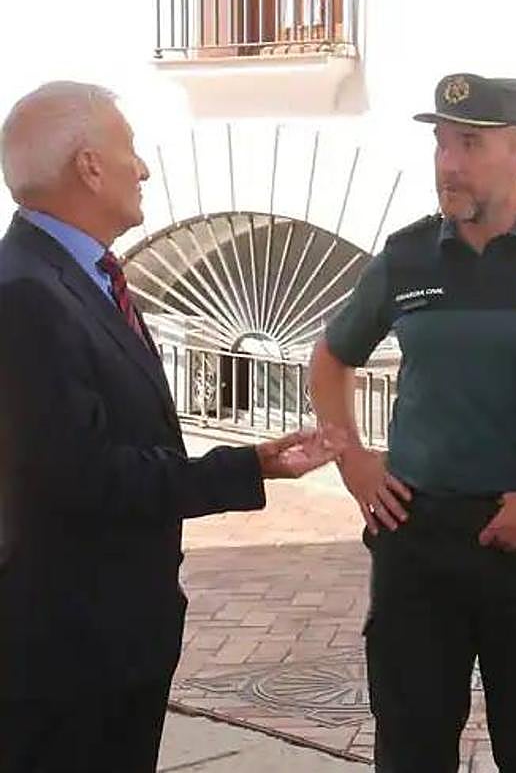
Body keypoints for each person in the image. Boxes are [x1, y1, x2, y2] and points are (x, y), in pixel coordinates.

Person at [308, 72, 516, 773]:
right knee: (410, 744)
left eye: (469, 144)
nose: (448, 163)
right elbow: (331, 358)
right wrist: (355, 461)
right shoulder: (406, 258)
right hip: (417, 539)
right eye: (440, 145)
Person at [0, 81, 338, 773]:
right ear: (90, 167)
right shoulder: (27, 294)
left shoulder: (76, 275)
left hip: (115, 637)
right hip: (68, 652)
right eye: (130, 151)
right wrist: (247, 469)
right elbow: (82, 474)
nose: (144, 169)